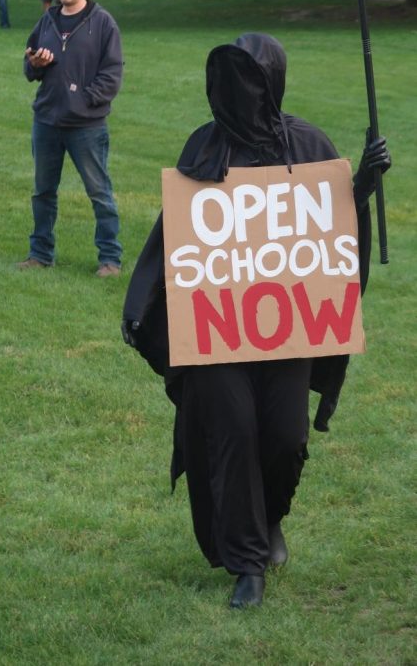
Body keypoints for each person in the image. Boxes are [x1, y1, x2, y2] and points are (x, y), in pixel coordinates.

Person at [121, 33, 391, 609]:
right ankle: (247, 566)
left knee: (286, 435)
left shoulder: (310, 143)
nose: (239, 96)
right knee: (234, 431)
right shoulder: (204, 146)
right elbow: (178, 236)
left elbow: (333, 233)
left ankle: (270, 519)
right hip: (219, 331)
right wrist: (143, 304)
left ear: (272, 85)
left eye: (251, 83)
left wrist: (361, 189)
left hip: (286, 326)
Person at [18, 0, 123, 277]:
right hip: (47, 121)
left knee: (99, 192)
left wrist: (84, 100)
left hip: (86, 126)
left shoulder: (103, 23)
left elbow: (113, 73)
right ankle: (40, 254)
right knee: (43, 191)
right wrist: (36, 63)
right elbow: (28, 67)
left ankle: (110, 259)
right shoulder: (47, 21)